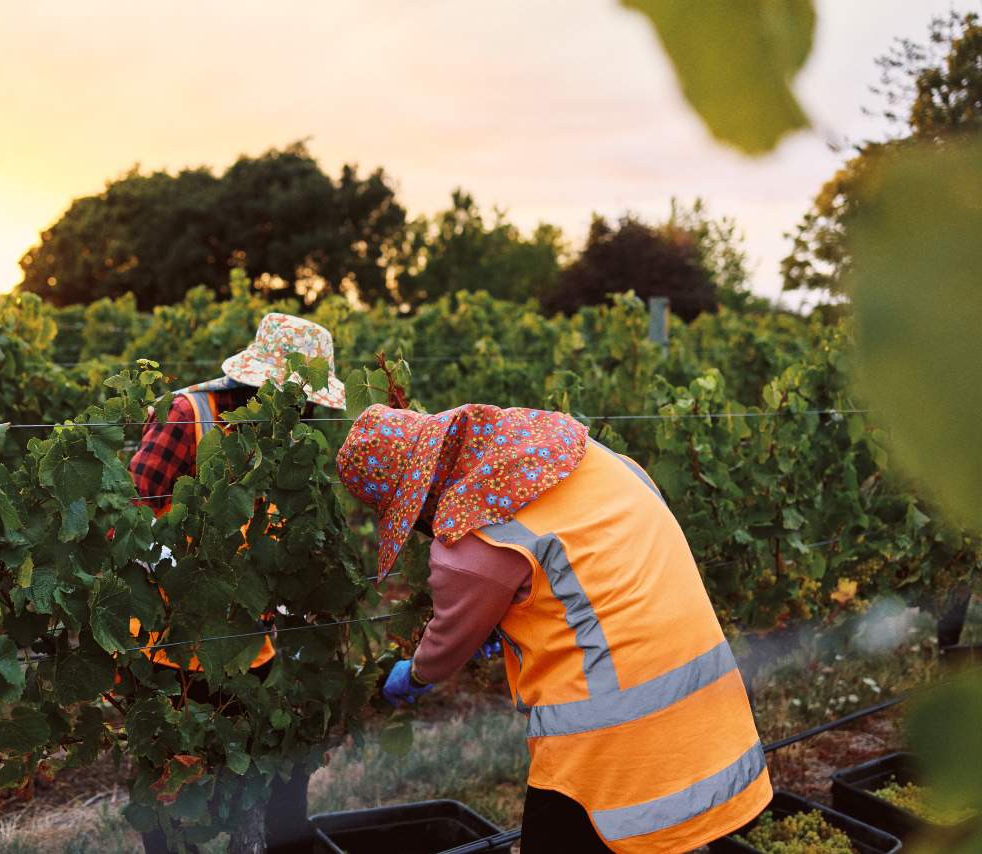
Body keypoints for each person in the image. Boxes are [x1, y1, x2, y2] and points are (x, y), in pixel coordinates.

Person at [337, 404, 771, 854]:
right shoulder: (585, 455)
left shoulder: (470, 543)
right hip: (707, 697)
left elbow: (448, 640)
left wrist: (416, 673)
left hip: (611, 733)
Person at [127, 312, 346, 853]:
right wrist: (183, 564)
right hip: (170, 647)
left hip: (252, 640)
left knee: (272, 780)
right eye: (300, 400)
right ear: (259, 385)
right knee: (172, 795)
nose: (307, 413)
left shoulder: (286, 439)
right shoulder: (189, 413)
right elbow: (128, 513)